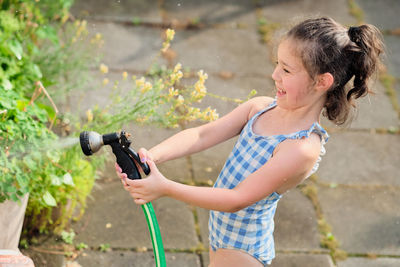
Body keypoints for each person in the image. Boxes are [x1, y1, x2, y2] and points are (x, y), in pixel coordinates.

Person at [115, 17, 384, 266]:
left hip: (242, 250)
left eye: (287, 70)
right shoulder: (260, 108)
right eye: (277, 64)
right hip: (221, 232)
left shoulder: (301, 148)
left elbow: (236, 198)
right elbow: (203, 134)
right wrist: (152, 156)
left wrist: (165, 187)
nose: (275, 75)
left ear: (322, 81)